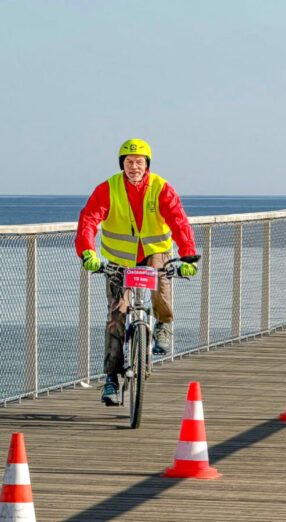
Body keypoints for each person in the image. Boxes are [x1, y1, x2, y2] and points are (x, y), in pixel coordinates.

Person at [75, 139, 198, 406]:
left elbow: (179, 221)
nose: (134, 167)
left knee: (162, 284)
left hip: (155, 254)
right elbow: (89, 219)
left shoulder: (161, 188)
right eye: (129, 162)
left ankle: (163, 325)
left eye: (139, 162)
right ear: (122, 164)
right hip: (120, 260)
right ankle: (111, 378)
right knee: (117, 316)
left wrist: (188, 256)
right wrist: (88, 253)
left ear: (147, 164)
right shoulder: (108, 188)